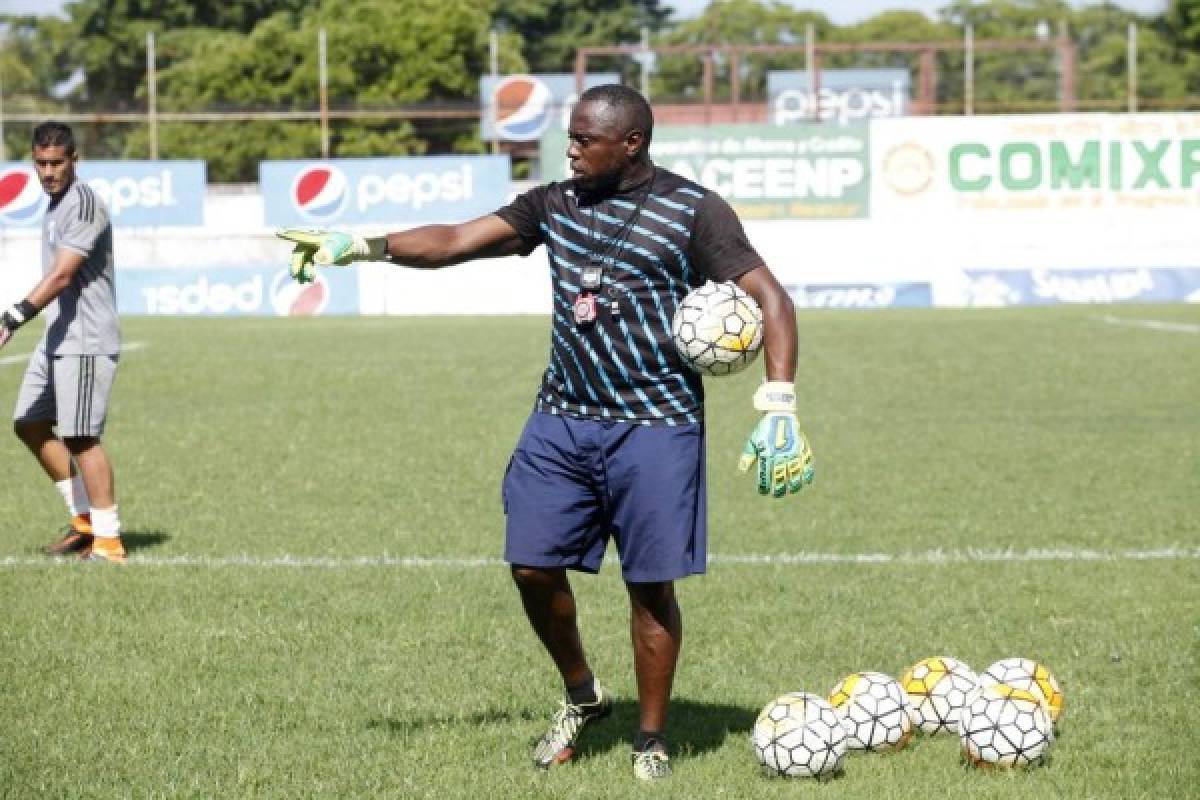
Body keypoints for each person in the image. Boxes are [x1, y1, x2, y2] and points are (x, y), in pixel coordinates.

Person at [278, 84, 814, 780]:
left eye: (585, 139)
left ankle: (651, 738)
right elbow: (456, 241)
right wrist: (363, 245)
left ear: (632, 144)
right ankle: (582, 692)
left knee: (650, 588)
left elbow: (771, 299)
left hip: (657, 426)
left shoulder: (693, 210)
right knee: (531, 565)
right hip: (561, 420)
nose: (570, 150)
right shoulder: (555, 205)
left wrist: (779, 404)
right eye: (569, 136)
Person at [1, 121, 126, 563]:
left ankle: (108, 544)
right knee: (30, 423)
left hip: (85, 339)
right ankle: (85, 521)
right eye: (41, 163)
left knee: (81, 436)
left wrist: (14, 317)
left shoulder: (84, 203)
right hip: (58, 335)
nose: (49, 172)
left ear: (75, 159)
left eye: (57, 163)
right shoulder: (55, 205)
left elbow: (62, 274)